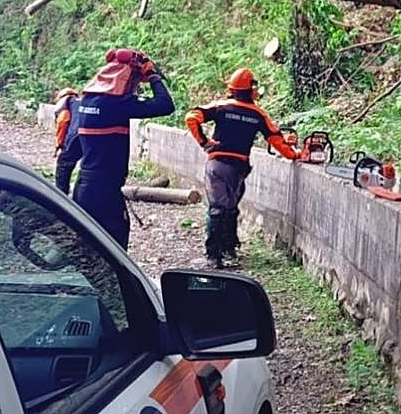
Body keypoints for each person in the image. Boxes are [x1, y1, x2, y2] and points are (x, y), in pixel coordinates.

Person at [184, 67, 300, 269]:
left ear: (232, 88)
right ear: (251, 90)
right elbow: (277, 141)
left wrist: (204, 142)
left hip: (217, 165)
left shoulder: (220, 107)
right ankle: (229, 247)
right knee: (229, 207)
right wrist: (296, 155)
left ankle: (214, 254)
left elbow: (191, 117)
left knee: (218, 208)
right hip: (238, 169)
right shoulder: (258, 114)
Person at [75, 49, 175, 249]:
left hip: (84, 186)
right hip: (105, 190)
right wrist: (153, 76)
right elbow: (165, 105)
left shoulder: (87, 101)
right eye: (135, 82)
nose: (136, 87)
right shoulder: (117, 104)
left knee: (88, 246)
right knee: (115, 247)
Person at [52, 87, 82, 195]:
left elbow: (63, 122)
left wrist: (59, 145)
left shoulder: (65, 104)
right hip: (92, 135)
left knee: (63, 165)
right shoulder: (80, 102)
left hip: (75, 135)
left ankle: (61, 194)